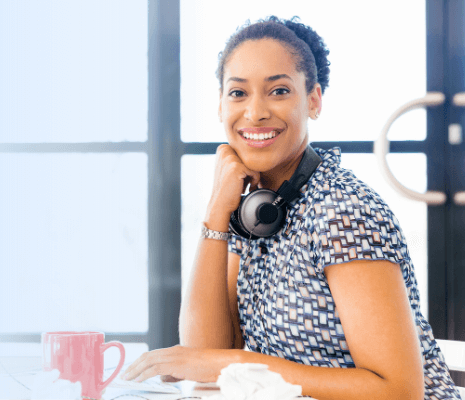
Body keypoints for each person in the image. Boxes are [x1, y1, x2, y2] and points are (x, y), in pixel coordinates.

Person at [121, 16, 461, 400]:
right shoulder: (254, 209)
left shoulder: (342, 210)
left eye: (278, 91)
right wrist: (217, 209)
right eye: (237, 93)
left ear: (313, 100)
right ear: (219, 105)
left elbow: (399, 391)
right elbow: (206, 354)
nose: (255, 112)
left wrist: (234, 364)